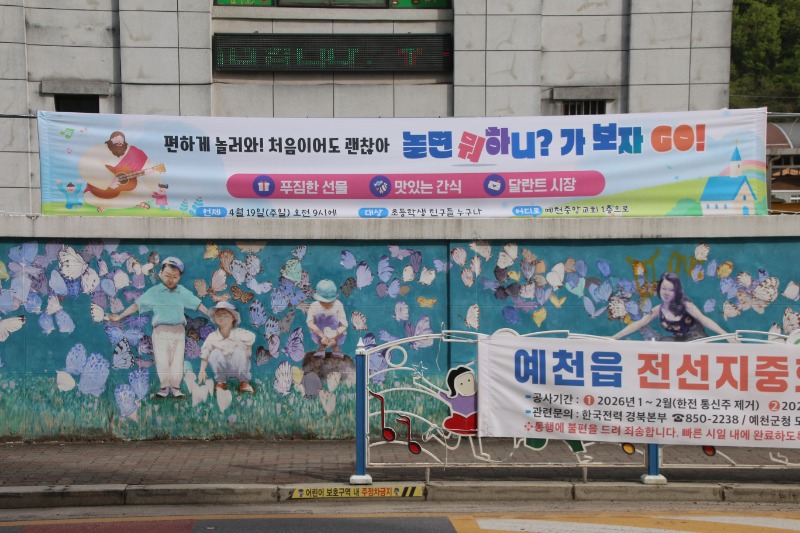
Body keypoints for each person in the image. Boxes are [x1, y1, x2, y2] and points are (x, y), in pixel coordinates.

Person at [108, 256, 210, 398]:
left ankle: (176, 389)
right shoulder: (154, 292)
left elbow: (197, 304)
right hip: (160, 331)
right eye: (167, 276)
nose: (170, 280)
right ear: (161, 273)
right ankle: (164, 388)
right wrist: (119, 317)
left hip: (178, 331)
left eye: (175, 277)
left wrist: (211, 314)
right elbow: (137, 306)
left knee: (177, 360)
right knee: (161, 360)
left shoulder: (182, 291)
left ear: (180, 277)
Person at [613, 271, 730, 342]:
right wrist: (615, 337)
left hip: (696, 341)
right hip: (680, 342)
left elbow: (705, 320)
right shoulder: (658, 310)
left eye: (671, 290)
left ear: (677, 291)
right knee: (661, 344)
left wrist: (727, 336)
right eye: (663, 289)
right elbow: (639, 323)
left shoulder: (686, 305)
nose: (666, 293)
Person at [79, 131, 164, 213]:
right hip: (99, 189)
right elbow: (88, 166)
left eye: (121, 139)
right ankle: (134, 203)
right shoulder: (100, 149)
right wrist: (109, 181)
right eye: (116, 138)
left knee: (148, 194)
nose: (119, 141)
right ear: (111, 140)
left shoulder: (135, 153)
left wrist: (154, 171)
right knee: (89, 198)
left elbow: (149, 172)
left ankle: (107, 205)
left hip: (126, 189)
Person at [197, 301, 256, 394]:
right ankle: (221, 382)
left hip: (238, 366)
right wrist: (202, 370)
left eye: (224, 314)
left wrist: (248, 349)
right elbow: (205, 353)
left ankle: (244, 382)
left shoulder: (239, 333)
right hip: (223, 368)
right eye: (217, 315)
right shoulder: (212, 336)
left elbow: (251, 337)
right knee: (214, 353)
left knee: (240, 351)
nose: (220, 317)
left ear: (233, 317)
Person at [306, 279, 347, 358]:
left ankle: (335, 347)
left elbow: (344, 325)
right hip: (319, 333)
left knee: (332, 319)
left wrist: (335, 335)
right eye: (323, 302)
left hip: (336, 334)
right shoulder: (314, 306)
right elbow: (310, 323)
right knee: (320, 317)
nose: (326, 304)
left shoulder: (338, 305)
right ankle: (322, 347)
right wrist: (322, 336)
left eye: (329, 302)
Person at [439, 366, 477, 435]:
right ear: (454, 387)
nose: (467, 384)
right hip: (459, 423)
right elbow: (440, 393)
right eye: (461, 384)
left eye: (469, 380)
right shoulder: (454, 398)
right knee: (449, 423)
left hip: (474, 422)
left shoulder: (477, 395)